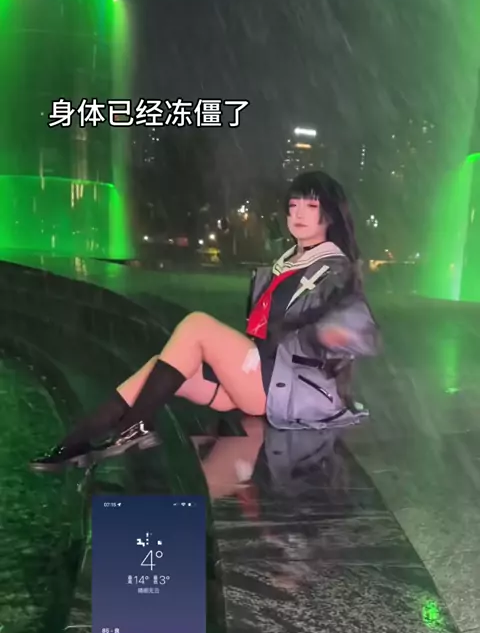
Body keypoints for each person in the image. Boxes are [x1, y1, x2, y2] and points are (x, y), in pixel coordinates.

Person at [30, 170, 380, 472]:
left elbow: (362, 333)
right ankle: (77, 440)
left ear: (329, 216)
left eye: (311, 206)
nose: (298, 214)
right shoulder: (284, 265)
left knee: (197, 326)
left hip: (288, 388)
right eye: (293, 205)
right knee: (158, 369)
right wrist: (255, 351)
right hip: (253, 380)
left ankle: (134, 428)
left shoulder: (335, 270)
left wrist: (297, 339)